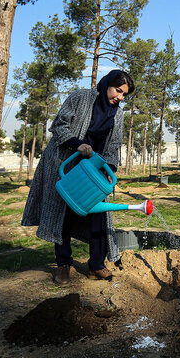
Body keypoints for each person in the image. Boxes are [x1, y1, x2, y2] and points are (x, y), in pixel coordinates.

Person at [21, 70, 134, 285]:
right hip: (65, 162)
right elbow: (59, 125)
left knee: (99, 215)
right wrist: (77, 144)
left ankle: (96, 265)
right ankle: (63, 265)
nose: (119, 97)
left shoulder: (117, 114)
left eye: (124, 95)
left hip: (93, 170)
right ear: (107, 84)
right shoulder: (80, 97)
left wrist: (109, 168)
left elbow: (114, 144)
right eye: (118, 91)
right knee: (61, 214)